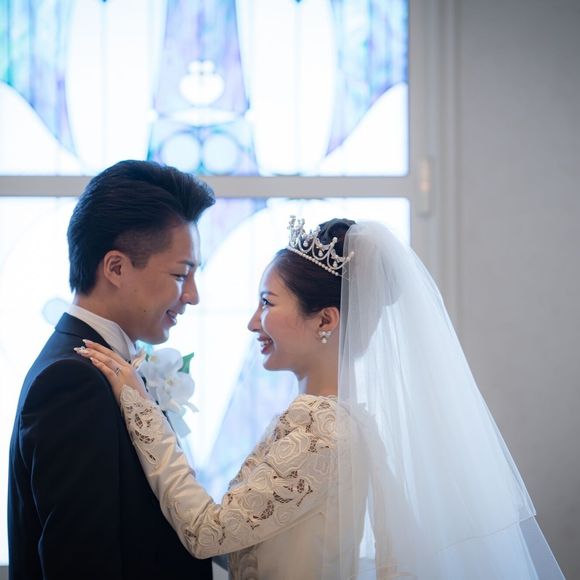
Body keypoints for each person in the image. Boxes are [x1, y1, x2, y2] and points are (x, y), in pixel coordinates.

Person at [77, 216, 564, 579]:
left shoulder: (320, 428)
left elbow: (209, 533)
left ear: (325, 320)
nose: (253, 323)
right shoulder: (350, 420)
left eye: (267, 303)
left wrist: (142, 409)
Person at [8, 160, 215, 580]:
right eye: (181, 274)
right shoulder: (72, 381)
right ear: (116, 268)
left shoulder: (104, 364)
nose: (192, 296)